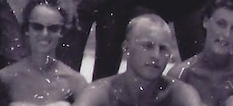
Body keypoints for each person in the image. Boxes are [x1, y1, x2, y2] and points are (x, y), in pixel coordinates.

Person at [75, 14, 203, 106]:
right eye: (147, 46)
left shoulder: (179, 94)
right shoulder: (101, 93)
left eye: (163, 49)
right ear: (126, 48)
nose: (156, 55)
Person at [0, 0, 88, 105]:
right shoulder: (6, 78)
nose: (45, 34)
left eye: (53, 28)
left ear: (61, 32)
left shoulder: (76, 82)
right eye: (37, 27)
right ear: (27, 30)